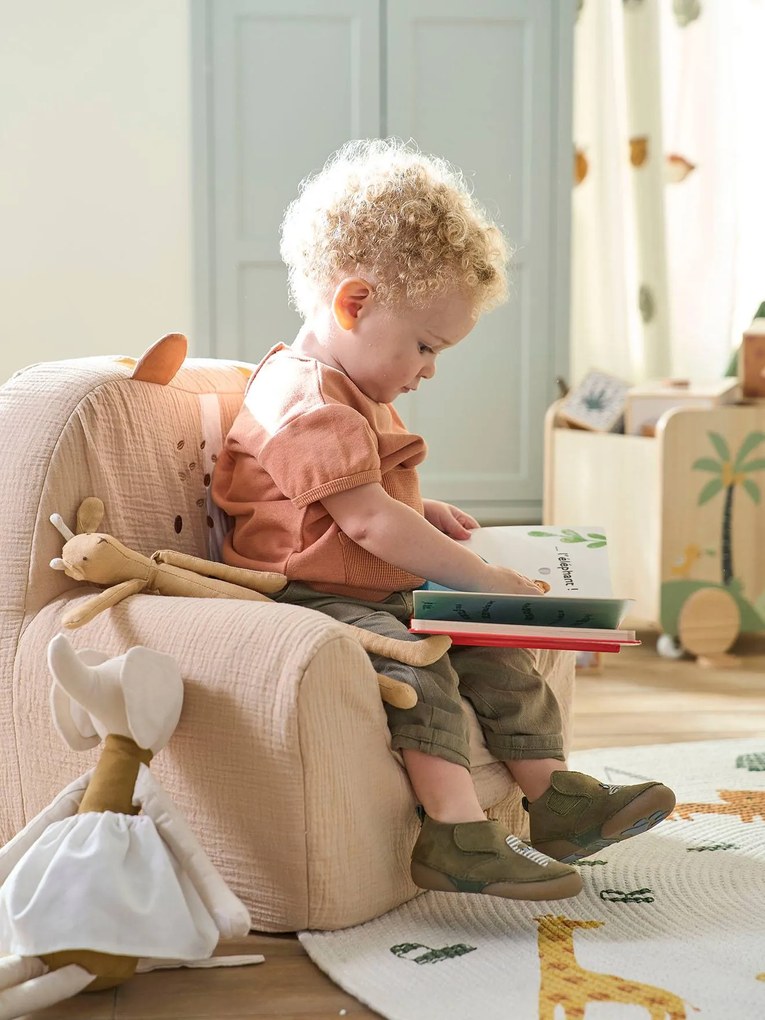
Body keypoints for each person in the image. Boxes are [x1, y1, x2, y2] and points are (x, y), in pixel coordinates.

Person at [212, 138, 675, 902]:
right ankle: (456, 834)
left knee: (491, 647)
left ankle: (554, 797)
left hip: (364, 584)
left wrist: (420, 510)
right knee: (416, 668)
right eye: (425, 345)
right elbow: (364, 526)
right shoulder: (303, 399)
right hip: (307, 595)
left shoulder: (348, 390)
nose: (428, 368)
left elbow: (346, 503)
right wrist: (483, 574)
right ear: (353, 303)